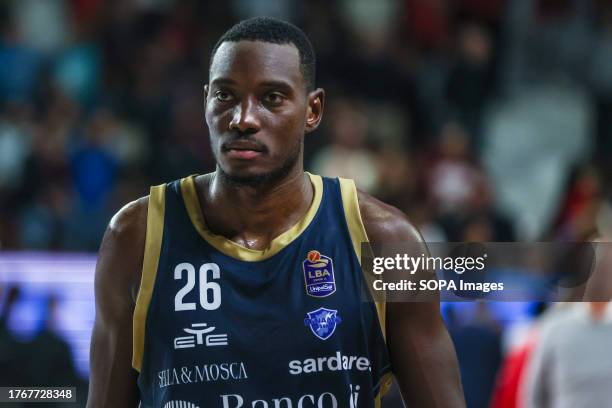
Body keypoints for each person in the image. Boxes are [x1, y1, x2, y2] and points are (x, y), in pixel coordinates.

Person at [87, 17, 464, 408]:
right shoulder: (134, 237)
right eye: (225, 96)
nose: (243, 119)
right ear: (205, 104)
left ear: (313, 110)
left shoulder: (388, 242)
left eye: (272, 98)